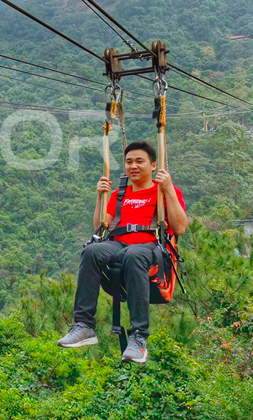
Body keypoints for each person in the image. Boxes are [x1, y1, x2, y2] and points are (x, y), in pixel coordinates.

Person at [57, 141, 187, 363]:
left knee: (134, 254)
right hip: (120, 245)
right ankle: (85, 325)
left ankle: (139, 337)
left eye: (139, 161)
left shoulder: (165, 191)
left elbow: (180, 227)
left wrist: (168, 190)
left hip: (150, 247)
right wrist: (100, 197)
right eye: (129, 162)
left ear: (153, 165)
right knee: (92, 252)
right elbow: (101, 227)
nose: (133, 166)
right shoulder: (119, 195)